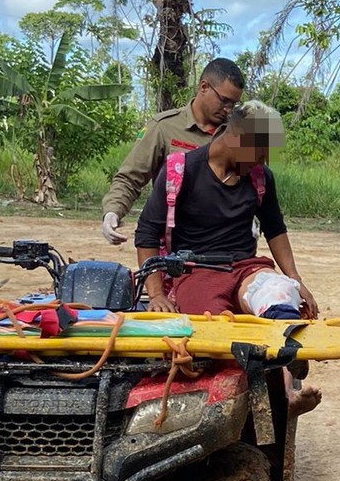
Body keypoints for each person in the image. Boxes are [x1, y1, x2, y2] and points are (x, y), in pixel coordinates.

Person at [132, 102, 318, 319]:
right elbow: (147, 233)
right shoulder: (182, 172)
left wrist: (294, 279)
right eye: (259, 154)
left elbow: (275, 229)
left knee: (282, 296)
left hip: (247, 269)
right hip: (196, 272)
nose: (263, 161)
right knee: (215, 324)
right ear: (237, 140)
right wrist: (156, 295)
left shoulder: (260, 177)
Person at [101, 58, 246, 245]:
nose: (228, 110)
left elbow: (246, 185)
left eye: (233, 104)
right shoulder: (164, 128)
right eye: (224, 101)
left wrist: (250, 219)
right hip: (175, 242)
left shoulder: (235, 135)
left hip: (224, 243)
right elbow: (130, 177)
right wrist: (113, 212)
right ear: (204, 87)